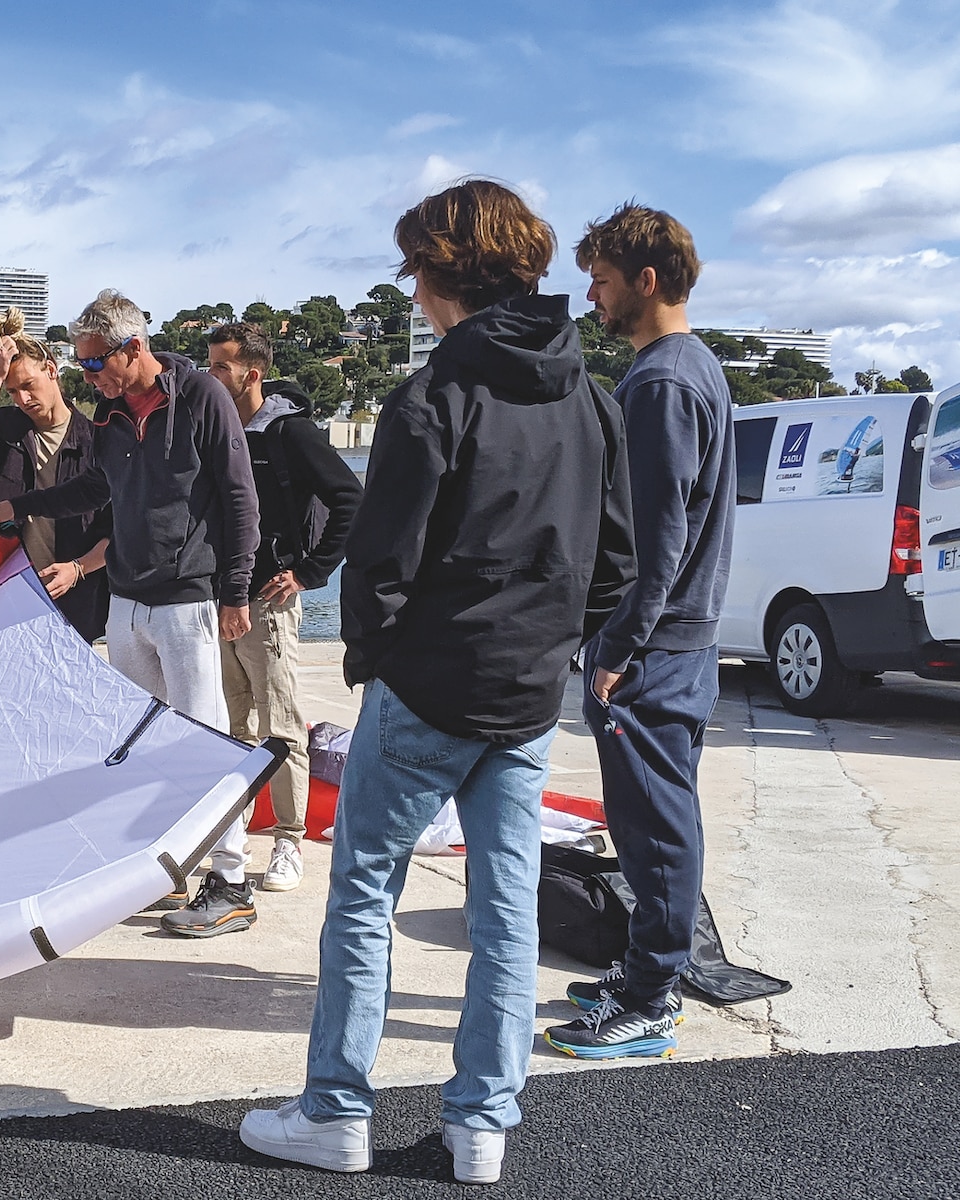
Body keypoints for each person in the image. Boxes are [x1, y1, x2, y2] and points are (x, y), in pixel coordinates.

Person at [238, 180, 637, 1185]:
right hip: (527, 696)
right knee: (509, 912)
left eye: (414, 270)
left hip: (426, 688)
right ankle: (482, 1127)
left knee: (364, 893)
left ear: (444, 273)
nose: (410, 290)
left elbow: (380, 564)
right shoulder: (593, 397)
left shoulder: (436, 396)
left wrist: (377, 663)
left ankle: (335, 1113)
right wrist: (551, 649)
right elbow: (619, 565)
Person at [0, 288, 263, 935]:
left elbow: (240, 498)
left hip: (189, 599)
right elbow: (93, 490)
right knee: (142, 746)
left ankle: (234, 881)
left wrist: (236, 591)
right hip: (126, 603)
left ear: (134, 349)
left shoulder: (201, 399)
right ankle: (164, 869)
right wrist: (18, 508)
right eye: (80, 366)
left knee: (205, 740)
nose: (88, 377)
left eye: (93, 364)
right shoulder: (108, 419)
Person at [544, 204, 735, 1060]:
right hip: (680, 641)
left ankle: (654, 996)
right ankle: (646, 967)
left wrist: (618, 647)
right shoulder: (695, 367)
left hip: (653, 649)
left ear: (646, 281)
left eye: (604, 279)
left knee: (653, 824)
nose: (592, 293)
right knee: (658, 814)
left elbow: (656, 538)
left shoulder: (659, 383)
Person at [205, 322, 363, 892]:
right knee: (230, 723)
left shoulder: (286, 432)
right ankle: (233, 832)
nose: (211, 376)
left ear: (252, 373)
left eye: (221, 367)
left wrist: (312, 571)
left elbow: (350, 497)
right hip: (218, 594)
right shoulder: (215, 428)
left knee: (281, 721)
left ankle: (289, 841)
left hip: (269, 597)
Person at [0, 306, 112, 641]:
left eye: (28, 384)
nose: (23, 398)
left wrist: (79, 569)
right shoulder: (10, 427)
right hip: (4, 590)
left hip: (74, 596)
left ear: (52, 370)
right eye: (13, 391)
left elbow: (116, 529)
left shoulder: (96, 439)